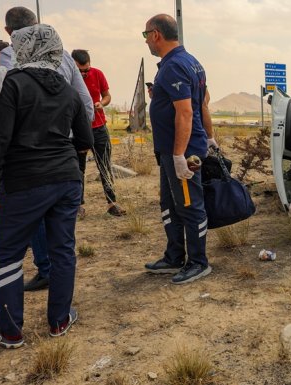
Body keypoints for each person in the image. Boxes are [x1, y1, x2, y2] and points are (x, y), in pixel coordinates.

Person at [0, 23, 92, 349]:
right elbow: (85, 138)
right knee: (63, 249)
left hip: (24, 180)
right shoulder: (67, 88)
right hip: (66, 179)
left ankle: (10, 330)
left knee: (9, 252)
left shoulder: (11, 83)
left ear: (20, 49)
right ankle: (59, 320)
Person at [142, 14, 217, 284]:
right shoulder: (189, 62)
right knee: (170, 203)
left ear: (156, 35)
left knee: (189, 205)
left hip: (183, 151)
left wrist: (178, 156)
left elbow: (185, 113)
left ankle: (198, 262)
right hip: (173, 149)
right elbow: (202, 102)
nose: (146, 41)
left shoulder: (175, 66)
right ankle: (174, 256)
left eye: (146, 35)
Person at [71, 49, 126, 217]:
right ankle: (78, 206)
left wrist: (102, 103)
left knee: (104, 165)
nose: (83, 74)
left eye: (86, 70)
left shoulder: (98, 74)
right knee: (77, 168)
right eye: (79, 71)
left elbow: (107, 96)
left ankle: (112, 203)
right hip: (77, 129)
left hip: (98, 127)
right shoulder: (68, 78)